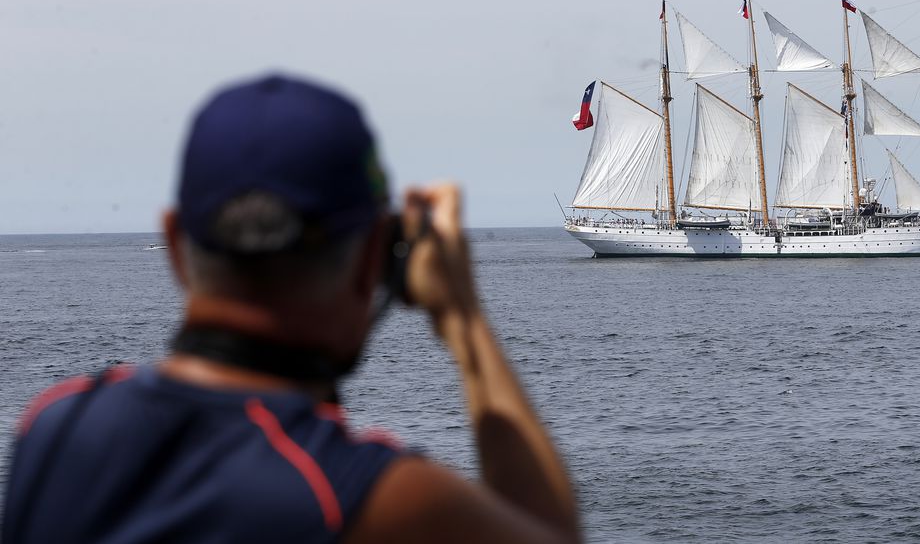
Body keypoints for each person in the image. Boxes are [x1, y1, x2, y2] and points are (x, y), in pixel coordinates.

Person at [3, 74, 581, 543]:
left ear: (176, 246)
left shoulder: (53, 428)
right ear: (372, 260)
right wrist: (462, 317)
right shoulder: (373, 496)